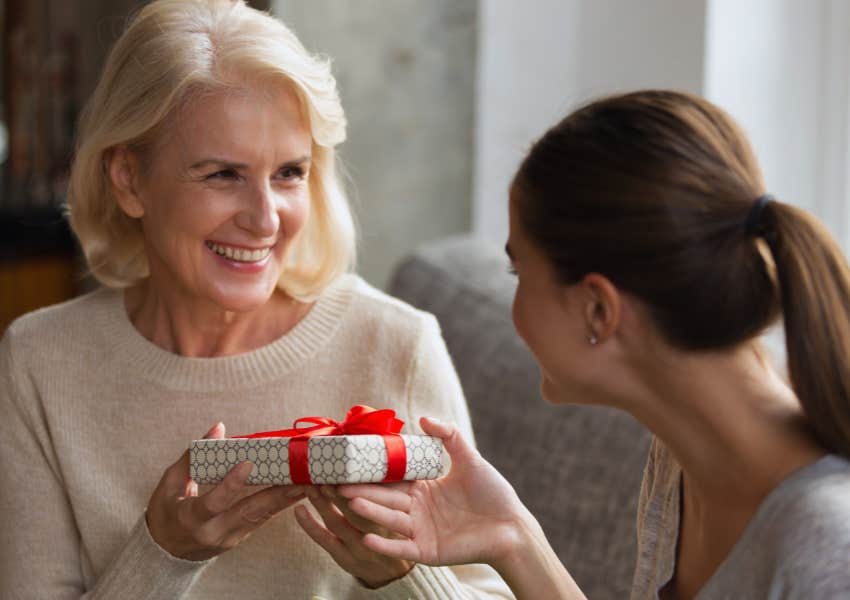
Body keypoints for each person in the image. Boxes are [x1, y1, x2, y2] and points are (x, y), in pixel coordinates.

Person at [0, 1, 512, 598]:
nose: (265, 218)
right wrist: (162, 556)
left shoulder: (395, 344)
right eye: (223, 174)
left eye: (290, 172)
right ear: (129, 179)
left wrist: (404, 571)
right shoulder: (40, 360)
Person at [334, 90, 850, 599]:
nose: (515, 306)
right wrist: (514, 538)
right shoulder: (681, 462)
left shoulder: (825, 549)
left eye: (519, 271)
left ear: (598, 310)